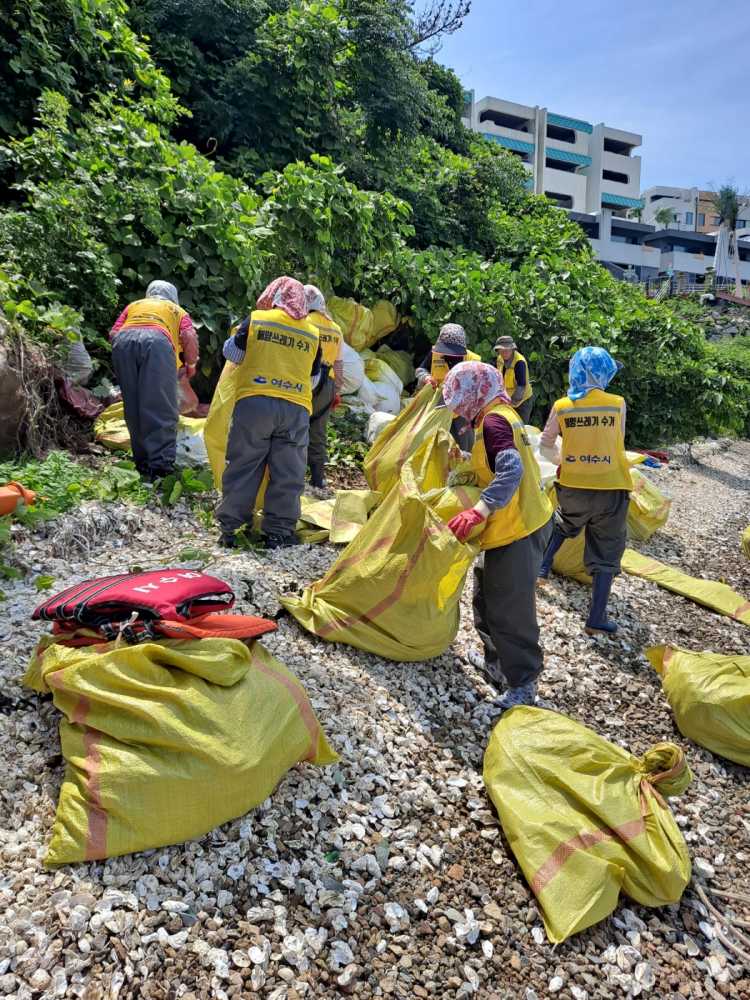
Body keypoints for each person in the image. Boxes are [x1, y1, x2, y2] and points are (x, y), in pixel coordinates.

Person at [443, 362, 553, 711]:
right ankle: (497, 667)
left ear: (475, 390)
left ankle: (523, 683)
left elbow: (511, 470)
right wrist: (463, 458)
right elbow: (494, 462)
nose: (458, 407)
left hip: (518, 529)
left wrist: (479, 510)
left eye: (460, 397)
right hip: (515, 524)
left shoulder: (492, 422)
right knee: (486, 598)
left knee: (509, 609)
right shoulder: (500, 413)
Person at [216, 276, 321, 549]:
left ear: (274, 295)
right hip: (296, 408)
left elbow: (233, 355)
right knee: (289, 472)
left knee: (243, 465)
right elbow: (314, 378)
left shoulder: (258, 319)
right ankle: (278, 533)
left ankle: (232, 529)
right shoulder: (312, 332)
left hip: (255, 402)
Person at [537, 346, 632, 636]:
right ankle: (597, 617)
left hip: (573, 483)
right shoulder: (617, 403)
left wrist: (561, 461)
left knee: (563, 523)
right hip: (611, 486)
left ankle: (541, 568)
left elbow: (545, 443)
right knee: (606, 550)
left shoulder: (563, 405)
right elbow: (618, 440)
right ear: (603, 373)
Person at [110, 280, 198, 480]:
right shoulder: (177, 310)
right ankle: (160, 468)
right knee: (161, 406)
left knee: (133, 404)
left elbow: (114, 333)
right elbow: (189, 336)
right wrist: (191, 365)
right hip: (157, 342)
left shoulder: (134, 305)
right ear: (173, 296)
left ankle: (141, 463)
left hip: (123, 343)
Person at [415, 324, 481, 452]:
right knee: (436, 444)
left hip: (462, 412)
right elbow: (420, 369)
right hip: (438, 406)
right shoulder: (435, 353)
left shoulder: (473, 361)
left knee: (463, 448)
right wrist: (426, 377)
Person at [304, 284, 344, 489]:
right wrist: (336, 391)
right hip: (327, 383)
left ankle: (292, 475)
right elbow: (339, 363)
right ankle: (318, 479)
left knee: (297, 427)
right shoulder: (335, 328)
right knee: (318, 430)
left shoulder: (305, 322)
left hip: (306, 379)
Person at [494, 336, 534, 425]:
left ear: (512, 349)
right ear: (498, 350)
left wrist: (509, 404)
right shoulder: (500, 359)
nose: (505, 352)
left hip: (522, 401)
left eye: (507, 349)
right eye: (502, 350)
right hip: (507, 399)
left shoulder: (519, 362)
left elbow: (521, 387)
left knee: (520, 428)